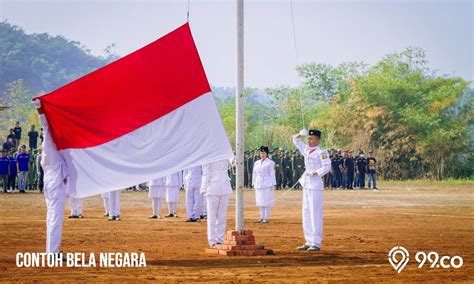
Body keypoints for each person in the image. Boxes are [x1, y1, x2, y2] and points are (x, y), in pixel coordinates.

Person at [37, 103, 69, 254]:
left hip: (50, 188)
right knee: (55, 220)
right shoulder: (51, 151)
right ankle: (53, 252)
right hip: (56, 189)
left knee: (51, 219)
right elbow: (46, 128)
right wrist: (40, 109)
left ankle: (52, 250)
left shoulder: (46, 157)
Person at [292, 129, 331, 252]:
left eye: (311, 138)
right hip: (307, 184)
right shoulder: (306, 150)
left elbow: (327, 166)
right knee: (306, 213)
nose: (309, 140)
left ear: (317, 140)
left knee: (315, 214)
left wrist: (315, 172)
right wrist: (300, 133)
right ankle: (308, 241)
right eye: (308, 138)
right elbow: (295, 140)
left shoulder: (322, 152)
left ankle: (316, 242)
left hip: (315, 184)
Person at [200, 159, 232, 248]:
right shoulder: (208, 156)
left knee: (222, 216)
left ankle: (220, 240)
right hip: (212, 188)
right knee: (212, 216)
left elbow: (232, 161)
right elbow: (206, 173)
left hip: (224, 186)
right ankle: (212, 241)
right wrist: (203, 188)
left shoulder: (225, 154)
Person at [252, 146, 276, 224]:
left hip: (267, 183)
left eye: (264, 153)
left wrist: (273, 184)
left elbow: (272, 173)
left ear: (267, 154)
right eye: (261, 153)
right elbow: (254, 174)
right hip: (258, 183)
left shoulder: (270, 163)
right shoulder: (256, 163)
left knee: (266, 201)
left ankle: (266, 218)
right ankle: (261, 217)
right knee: (260, 201)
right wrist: (253, 183)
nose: (262, 154)